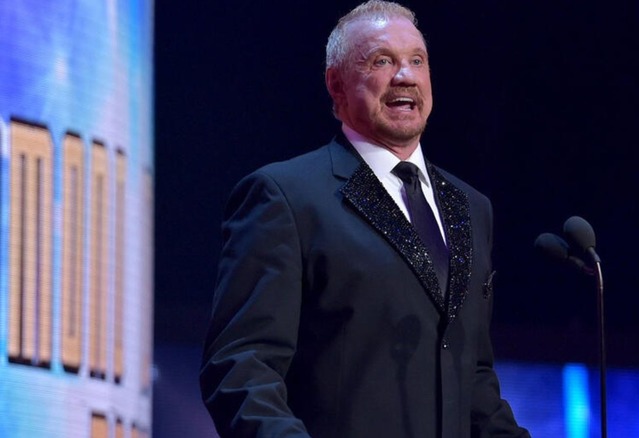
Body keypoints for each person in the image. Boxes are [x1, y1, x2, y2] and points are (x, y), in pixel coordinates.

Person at [199, 1, 532, 437]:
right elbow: (241, 368)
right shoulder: (287, 197)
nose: (405, 76)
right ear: (336, 85)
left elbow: (473, 380)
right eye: (382, 61)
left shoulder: (470, 207)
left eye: (417, 60)